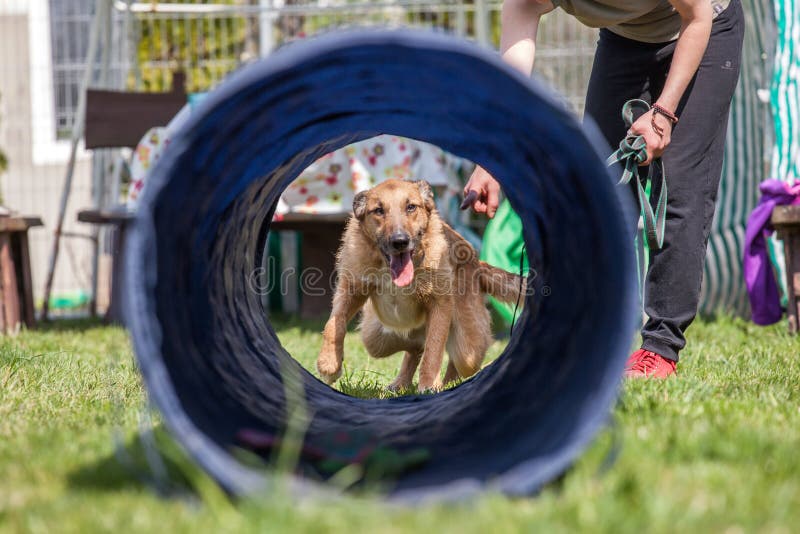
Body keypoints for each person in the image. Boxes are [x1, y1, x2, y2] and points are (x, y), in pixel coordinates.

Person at [463, 0, 744, 378]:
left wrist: (663, 114)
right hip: (625, 37)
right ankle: (573, 337)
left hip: (703, 25)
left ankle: (660, 348)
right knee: (594, 194)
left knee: (678, 189)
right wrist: (491, 159)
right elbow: (514, 66)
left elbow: (696, 18)